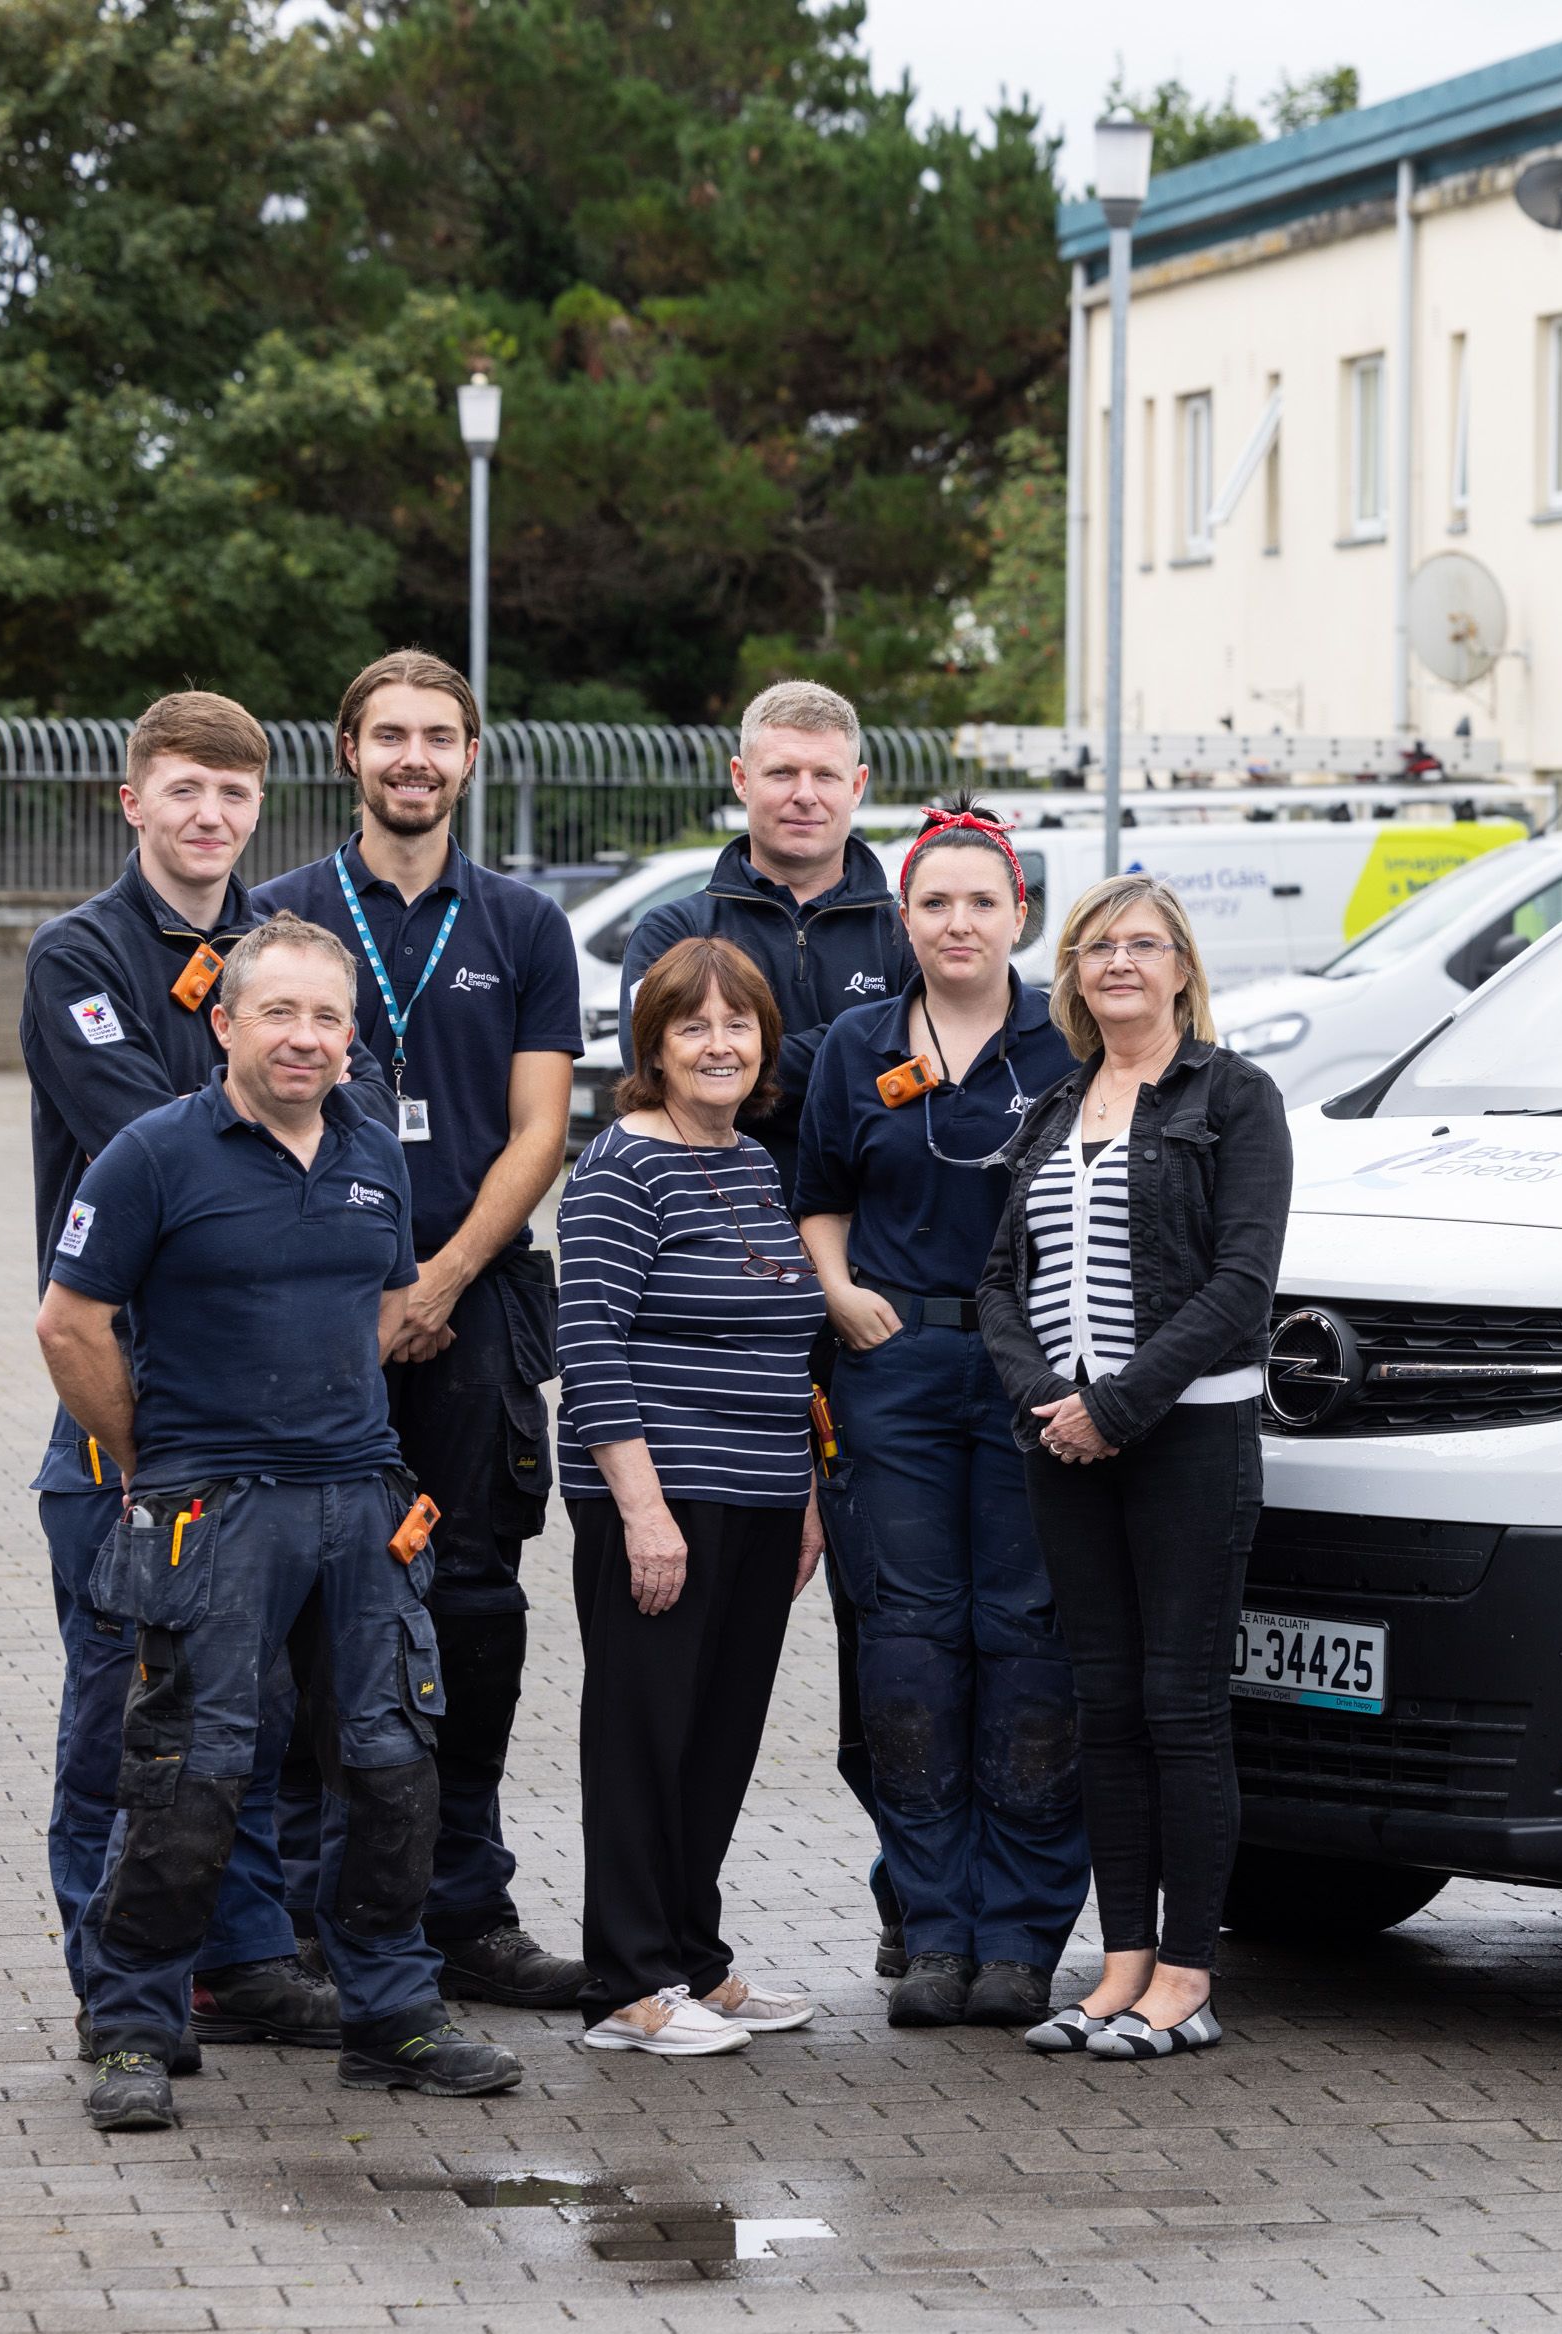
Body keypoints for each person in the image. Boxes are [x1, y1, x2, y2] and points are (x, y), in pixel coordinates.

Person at [37, 914, 525, 2132]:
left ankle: (392, 2015)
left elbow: (386, 1303)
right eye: (279, 1013)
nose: (304, 1038)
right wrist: (154, 1465)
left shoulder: (372, 1149)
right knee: (188, 1777)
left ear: (350, 1036)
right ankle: (133, 2026)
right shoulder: (153, 1155)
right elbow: (68, 1325)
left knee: (391, 1769)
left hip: (358, 1504)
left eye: (326, 1017)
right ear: (225, 1024)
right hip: (211, 1513)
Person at [252, 651, 589, 2013]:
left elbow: (540, 1130)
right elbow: (255, 1112)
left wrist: (439, 1280)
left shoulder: (523, 925)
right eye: (389, 734)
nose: (414, 757)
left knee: (472, 1605)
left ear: (469, 756)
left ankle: (465, 1910)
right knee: (301, 1607)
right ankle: (305, 1919)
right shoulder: (278, 915)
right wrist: (367, 1294)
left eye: (437, 736)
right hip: (313, 1312)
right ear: (348, 751)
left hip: (476, 1305)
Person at [18, 692, 333, 2072]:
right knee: (123, 1712)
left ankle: (245, 1958)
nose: (210, 815)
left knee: (249, 1706)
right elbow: (153, 1142)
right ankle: (115, 1986)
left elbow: (345, 1111)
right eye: (185, 789)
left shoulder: (285, 951)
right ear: (132, 799)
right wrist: (283, 1129)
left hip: (271, 1392)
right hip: (133, 1393)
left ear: (261, 806)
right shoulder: (76, 956)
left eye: (234, 793)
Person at [617, 680, 915, 1973]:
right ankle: (659, 1939)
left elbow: (915, 1109)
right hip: (712, 1334)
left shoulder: (906, 925)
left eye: (824, 774)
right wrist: (841, 1070)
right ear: (739, 779)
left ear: (859, 786)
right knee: (693, 1659)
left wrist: (803, 1083)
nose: (802, 794)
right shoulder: (677, 924)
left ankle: (919, 1898)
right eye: (779, 771)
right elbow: (673, 1087)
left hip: (868, 1325)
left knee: (891, 1627)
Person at [979, 874, 1289, 2063]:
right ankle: (1120, 1965)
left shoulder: (1233, 1097)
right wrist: (1046, 1402)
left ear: (1181, 968)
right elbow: (998, 1283)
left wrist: (1117, 1406)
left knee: (1180, 1709)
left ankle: (1188, 1977)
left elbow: (1241, 1284)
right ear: (1071, 972)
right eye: (1097, 945)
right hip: (1065, 1446)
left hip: (1188, 1442)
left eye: (1143, 944)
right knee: (1102, 1708)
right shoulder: (1054, 1106)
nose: (1119, 961)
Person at [796, 807, 1089, 2031]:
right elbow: (818, 1192)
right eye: (934, 904)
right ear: (901, 919)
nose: (957, 923)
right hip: (894, 1369)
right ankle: (932, 1929)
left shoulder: (1069, 1039)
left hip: (1030, 1378)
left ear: (1019, 913)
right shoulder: (855, 1043)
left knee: (1026, 1646)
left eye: (981, 902)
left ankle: (1019, 1939)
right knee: (909, 1649)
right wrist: (837, 1289)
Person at [555, 938, 831, 2056]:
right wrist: (642, 1510)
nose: (720, 1045)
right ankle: (625, 1983)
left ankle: (693, 1962)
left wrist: (802, 1495)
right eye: (692, 1026)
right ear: (653, 1048)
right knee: (643, 1736)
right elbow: (589, 1344)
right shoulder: (622, 1164)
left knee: (717, 1738)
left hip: (760, 1497)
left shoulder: (752, 1159)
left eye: (739, 1024)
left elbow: (785, 1347)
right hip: (662, 1497)